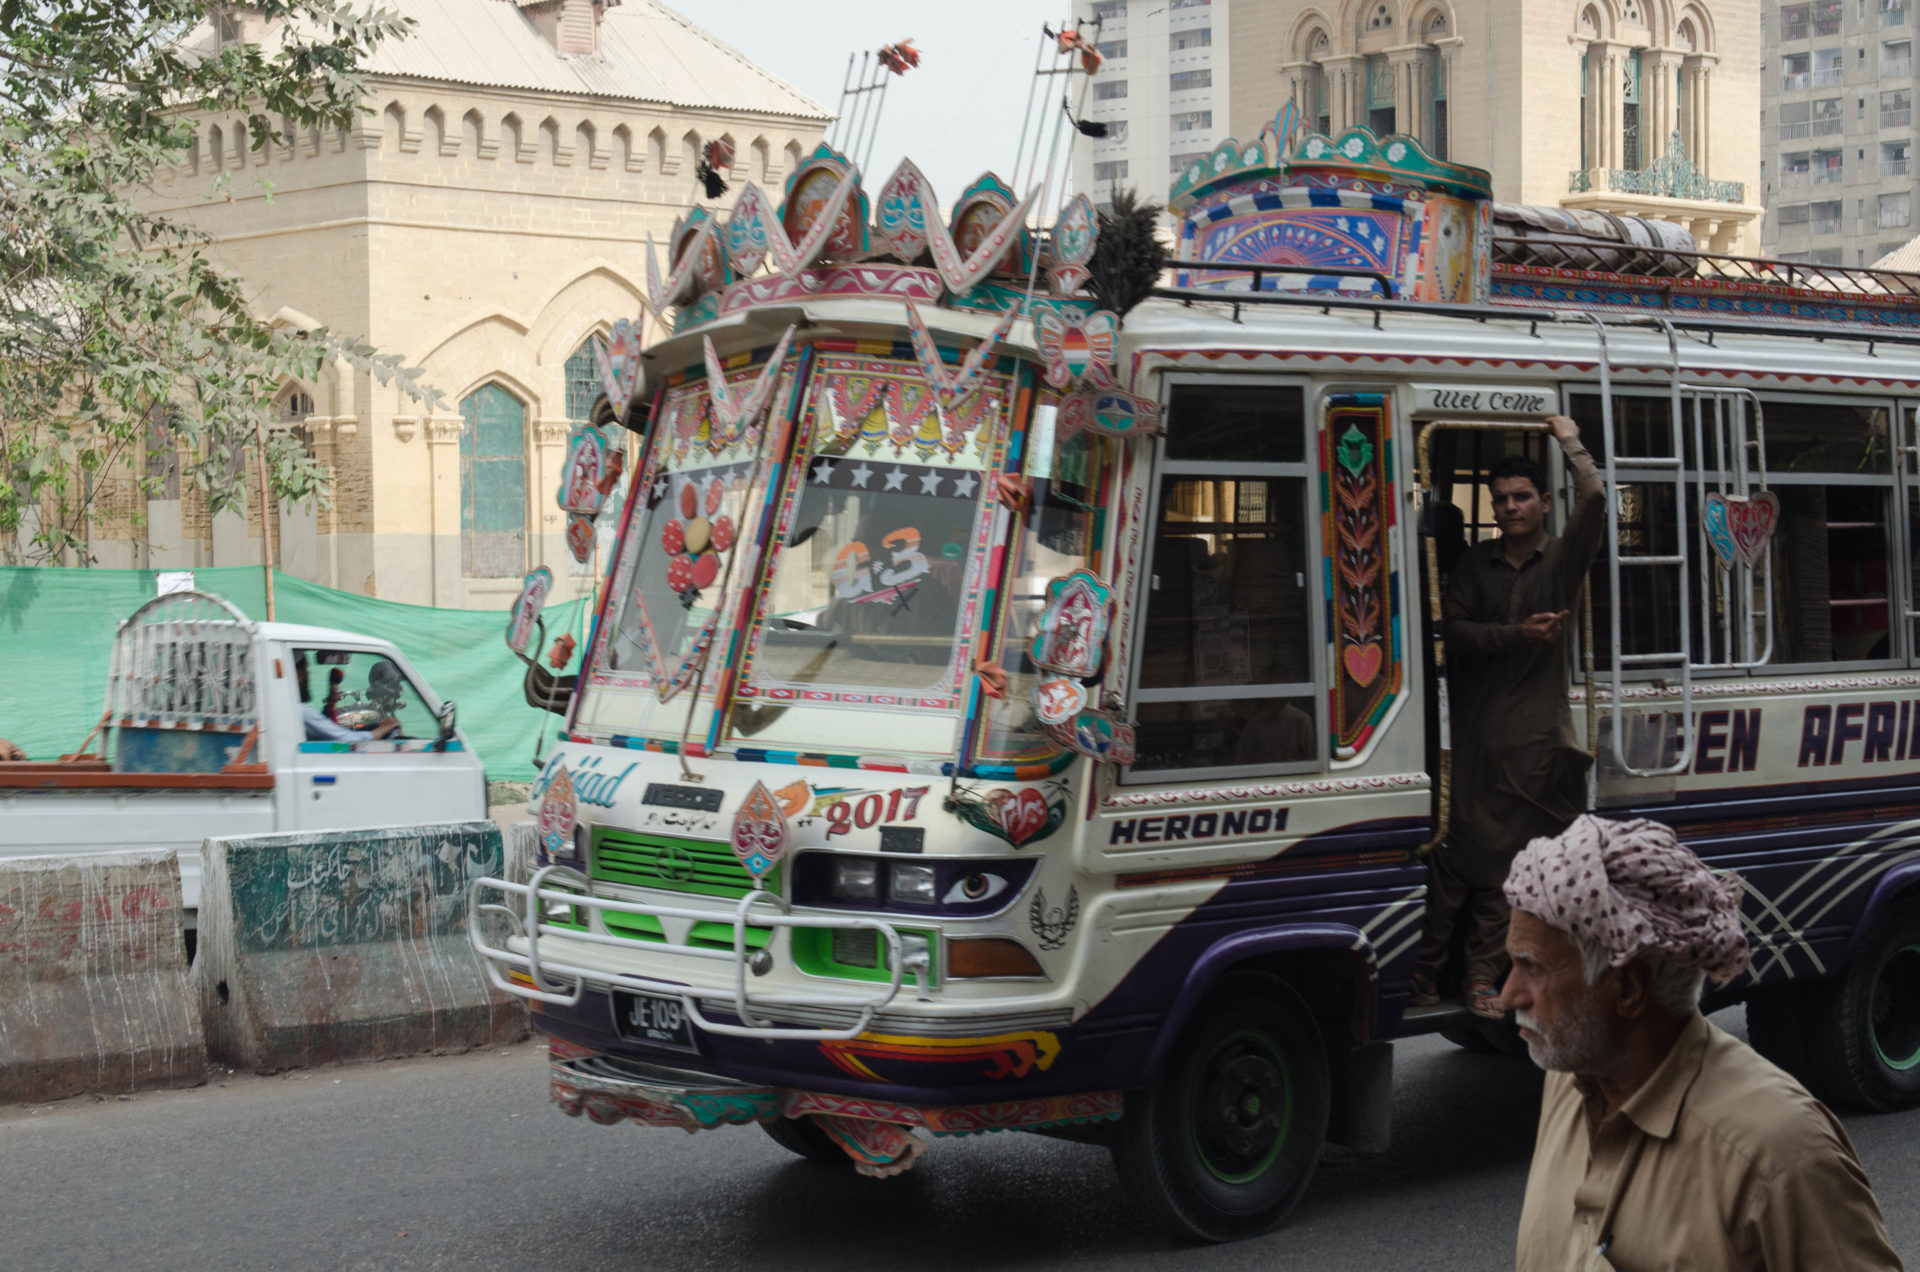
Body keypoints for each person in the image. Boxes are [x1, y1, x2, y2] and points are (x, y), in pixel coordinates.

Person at [1503, 815, 1904, 1272]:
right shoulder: (1568, 1081)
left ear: (1629, 988)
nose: (1509, 995)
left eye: (1531, 967)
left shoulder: (1779, 1154)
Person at [1413, 414, 1606, 1018]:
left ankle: (1480, 977)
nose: (1510, 507)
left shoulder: (1563, 560)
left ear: (1545, 504)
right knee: (1451, 854)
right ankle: (1425, 975)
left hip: (1534, 743)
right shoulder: (1475, 564)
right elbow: (1454, 631)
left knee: (1508, 868)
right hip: (1472, 738)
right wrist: (1516, 635)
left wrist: (1566, 438)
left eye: (1522, 497)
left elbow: (1596, 495)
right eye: (1500, 499)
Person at [294, 653, 399, 743]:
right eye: (305, 669)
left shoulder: (293, 710)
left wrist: (331, 703)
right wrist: (384, 728)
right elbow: (348, 740)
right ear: (299, 675)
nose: (308, 673)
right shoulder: (300, 712)